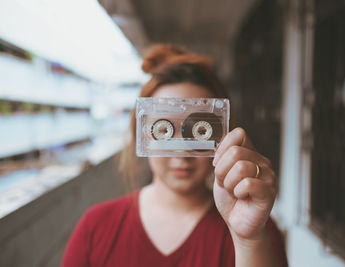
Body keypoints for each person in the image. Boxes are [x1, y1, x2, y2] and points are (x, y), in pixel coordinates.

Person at [62, 44, 288, 267]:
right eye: (163, 131)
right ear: (140, 133)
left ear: (222, 135)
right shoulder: (95, 227)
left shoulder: (256, 230)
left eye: (200, 131)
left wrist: (249, 242)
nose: (181, 153)